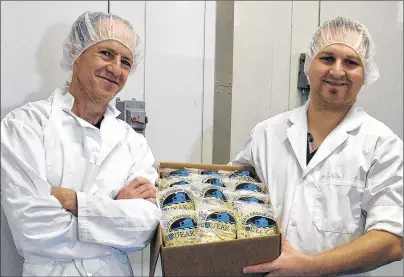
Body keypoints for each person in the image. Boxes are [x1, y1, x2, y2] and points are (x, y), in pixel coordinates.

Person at [232, 17, 403, 276]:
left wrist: (308, 268)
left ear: (365, 73)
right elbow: (228, 196)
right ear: (308, 66)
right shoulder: (266, 134)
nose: (337, 71)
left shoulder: (382, 145)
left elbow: (391, 242)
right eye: (327, 58)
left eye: (351, 62)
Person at [1, 11, 160, 276]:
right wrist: (116, 210)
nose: (115, 69)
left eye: (126, 61)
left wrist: (72, 201)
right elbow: (31, 227)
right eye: (106, 53)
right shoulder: (26, 125)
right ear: (76, 52)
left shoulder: (133, 143)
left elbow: (143, 228)